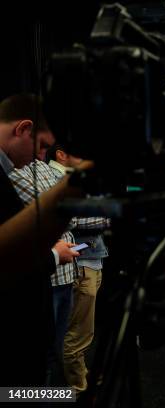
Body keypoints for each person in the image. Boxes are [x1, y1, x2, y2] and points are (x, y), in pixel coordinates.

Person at [0, 93, 79, 385]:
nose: (40, 157)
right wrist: (54, 255)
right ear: (23, 129)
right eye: (42, 146)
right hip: (15, 335)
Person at [46, 144, 110, 394]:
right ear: (61, 154)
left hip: (90, 260)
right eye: (79, 152)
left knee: (82, 330)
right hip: (79, 264)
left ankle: (80, 376)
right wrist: (109, 215)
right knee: (76, 332)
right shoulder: (55, 178)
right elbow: (71, 219)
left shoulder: (73, 178)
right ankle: (78, 387)